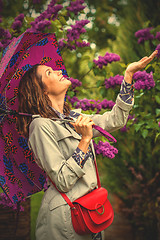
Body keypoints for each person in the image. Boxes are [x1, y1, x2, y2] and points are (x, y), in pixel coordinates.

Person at [17, 50, 157, 240]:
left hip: (90, 210)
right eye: (49, 72)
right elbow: (62, 181)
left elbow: (116, 119)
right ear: (41, 89)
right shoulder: (40, 126)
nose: (58, 71)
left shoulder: (73, 118)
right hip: (65, 219)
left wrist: (128, 75)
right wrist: (84, 140)